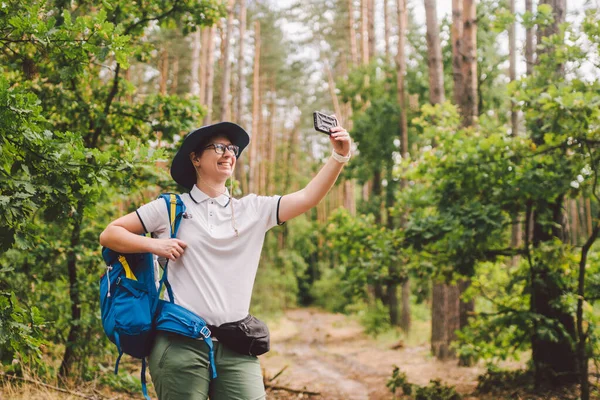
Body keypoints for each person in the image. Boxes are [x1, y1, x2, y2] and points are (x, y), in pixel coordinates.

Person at [99, 120, 351, 400]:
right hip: (180, 344)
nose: (229, 153)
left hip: (237, 345)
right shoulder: (170, 208)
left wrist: (339, 157)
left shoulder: (253, 209)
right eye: (219, 147)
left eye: (232, 148)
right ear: (195, 158)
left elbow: (307, 197)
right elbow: (110, 233)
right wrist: (155, 245)